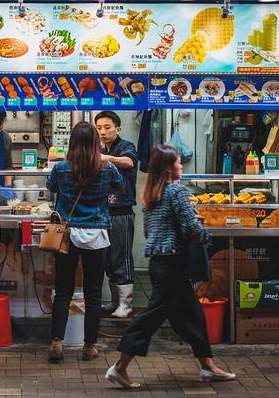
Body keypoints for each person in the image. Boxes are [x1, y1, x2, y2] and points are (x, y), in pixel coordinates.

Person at [105, 145, 235, 389]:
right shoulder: (176, 191)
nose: (181, 166)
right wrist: (207, 237)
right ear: (168, 168)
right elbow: (189, 227)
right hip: (173, 263)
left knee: (193, 315)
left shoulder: (151, 193)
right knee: (150, 317)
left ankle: (208, 367)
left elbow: (150, 230)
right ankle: (119, 367)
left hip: (160, 262)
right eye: (178, 162)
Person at [46, 122, 125, 363]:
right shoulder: (106, 167)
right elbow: (120, 186)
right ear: (94, 143)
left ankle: (57, 342)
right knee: (92, 293)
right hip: (96, 234)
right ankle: (89, 346)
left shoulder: (60, 167)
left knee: (63, 291)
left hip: (67, 234)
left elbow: (50, 188)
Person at [95, 111, 139, 318]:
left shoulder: (126, 146)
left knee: (122, 257)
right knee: (107, 260)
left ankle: (126, 304)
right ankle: (115, 301)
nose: (102, 132)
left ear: (117, 129)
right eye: (99, 128)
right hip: (103, 212)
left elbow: (129, 163)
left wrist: (106, 158)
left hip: (121, 211)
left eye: (107, 127)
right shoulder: (100, 148)